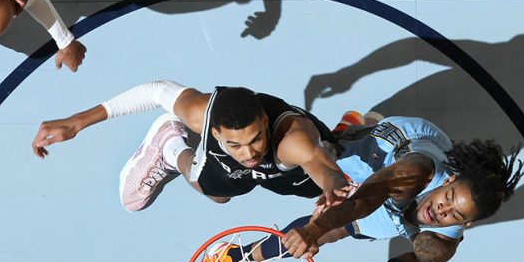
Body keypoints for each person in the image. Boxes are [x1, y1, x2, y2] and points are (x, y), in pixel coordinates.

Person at [184, 115, 524, 262]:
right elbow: (365, 199)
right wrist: (313, 230)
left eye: (454, 215)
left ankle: (231, 259)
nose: (441, 210)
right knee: (319, 170)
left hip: (388, 201)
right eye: (448, 196)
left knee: (340, 227)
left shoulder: (444, 243)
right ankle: (355, 124)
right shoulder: (416, 172)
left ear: (467, 224)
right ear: (448, 179)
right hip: (379, 154)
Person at [32, 83, 348, 211]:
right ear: (216, 132)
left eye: (255, 140)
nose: (249, 153)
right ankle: (170, 146)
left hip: (300, 173)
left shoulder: (291, 140)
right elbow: (155, 91)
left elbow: (321, 166)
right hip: (238, 169)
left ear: (265, 123)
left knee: (327, 177)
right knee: (215, 193)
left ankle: (352, 133)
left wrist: (334, 189)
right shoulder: (202, 113)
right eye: (235, 144)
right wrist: (77, 122)